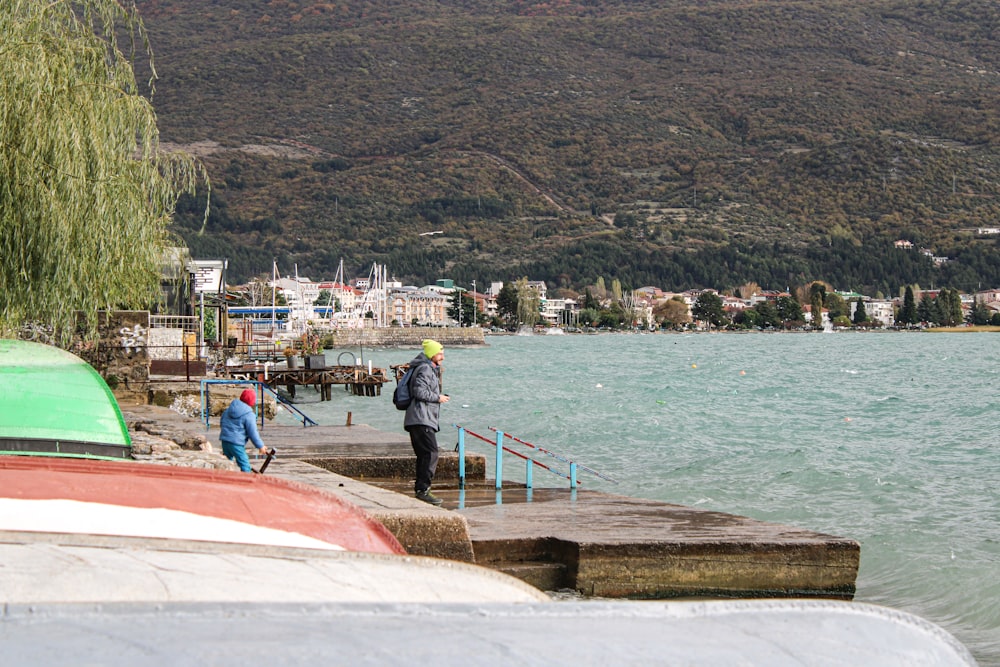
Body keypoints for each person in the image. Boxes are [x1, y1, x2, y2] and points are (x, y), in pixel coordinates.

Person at [404, 339, 449, 505]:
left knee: (424, 455)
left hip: (419, 418)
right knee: (431, 453)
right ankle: (423, 490)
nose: (442, 357)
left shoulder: (427, 368)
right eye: (440, 353)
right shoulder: (425, 368)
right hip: (421, 418)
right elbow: (419, 391)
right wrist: (438, 398)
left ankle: (421, 489)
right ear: (431, 354)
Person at [219, 388, 269, 472]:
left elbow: (222, 422)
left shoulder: (228, 410)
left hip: (225, 440)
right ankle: (246, 481)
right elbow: (253, 433)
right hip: (236, 443)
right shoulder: (249, 414)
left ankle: (225, 479)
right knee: (244, 464)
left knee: (227, 463)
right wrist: (260, 446)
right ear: (252, 401)